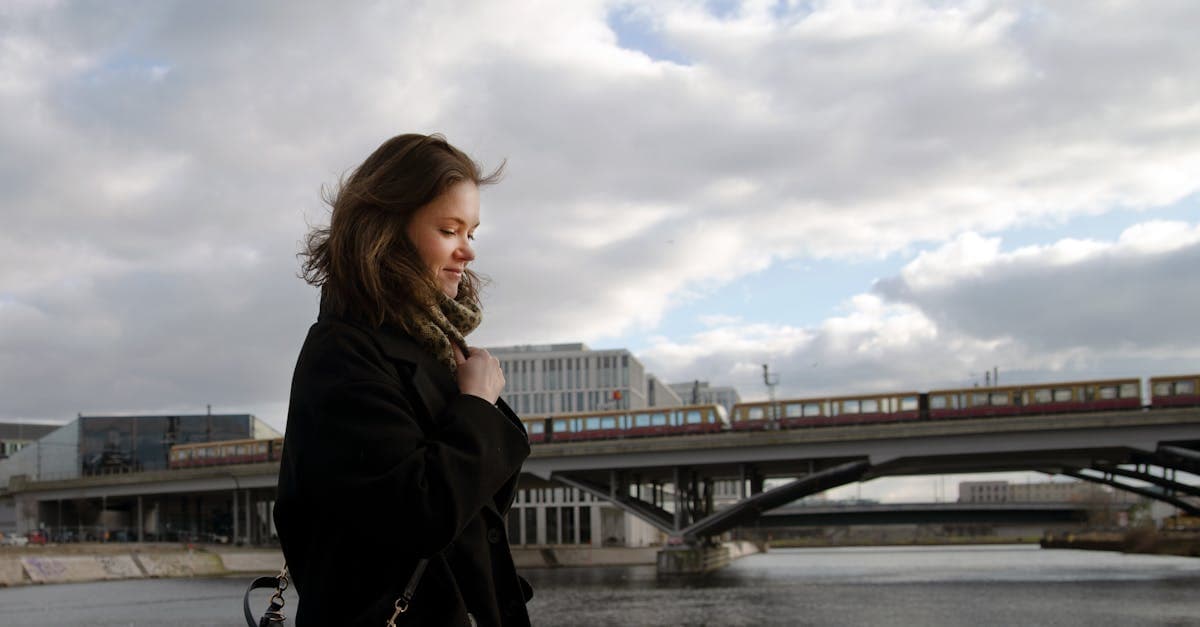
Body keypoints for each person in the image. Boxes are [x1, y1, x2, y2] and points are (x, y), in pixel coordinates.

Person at [274, 133, 532, 626]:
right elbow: (420, 513)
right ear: (387, 231)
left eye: (471, 233)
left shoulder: (431, 349)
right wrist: (476, 404)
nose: (468, 252)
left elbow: (472, 517)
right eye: (449, 229)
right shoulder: (342, 352)